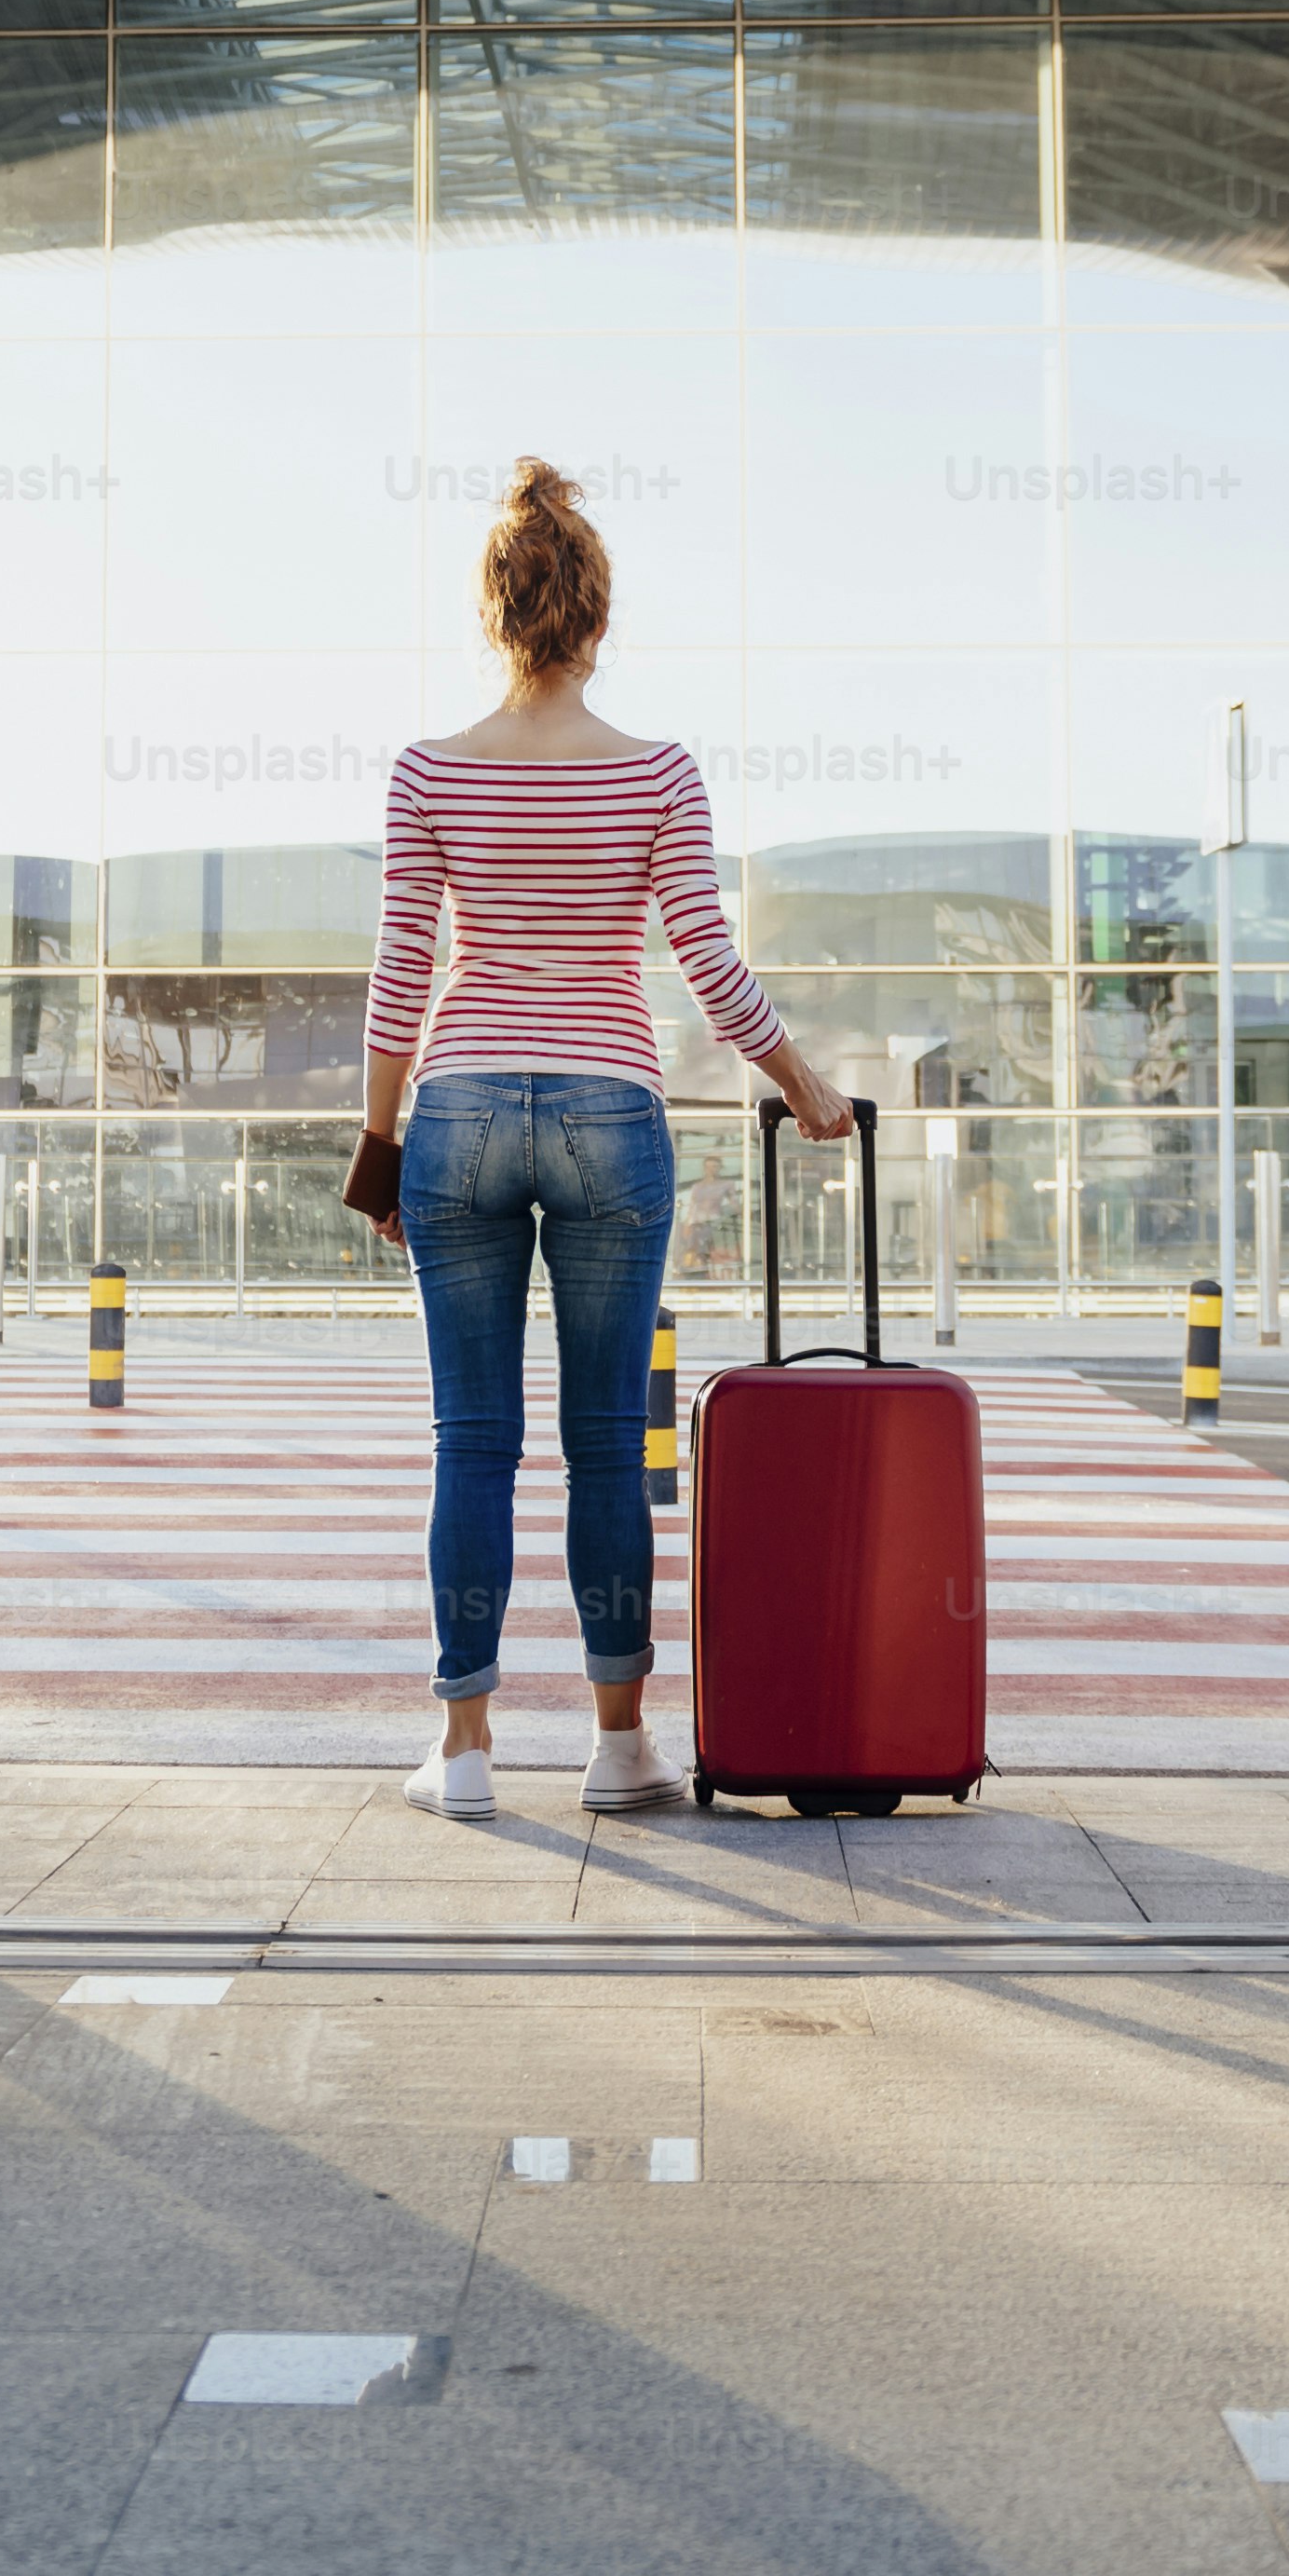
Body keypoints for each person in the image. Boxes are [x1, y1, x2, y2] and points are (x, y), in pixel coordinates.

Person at [361, 459, 851, 1822]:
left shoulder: (427, 772)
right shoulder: (657, 773)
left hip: (456, 1109)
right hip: (607, 1110)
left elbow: (403, 968)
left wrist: (380, 1142)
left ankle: (462, 1751)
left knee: (472, 1437)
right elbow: (704, 956)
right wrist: (804, 1082)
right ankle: (619, 1744)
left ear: (496, 615)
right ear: (596, 619)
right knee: (601, 1441)